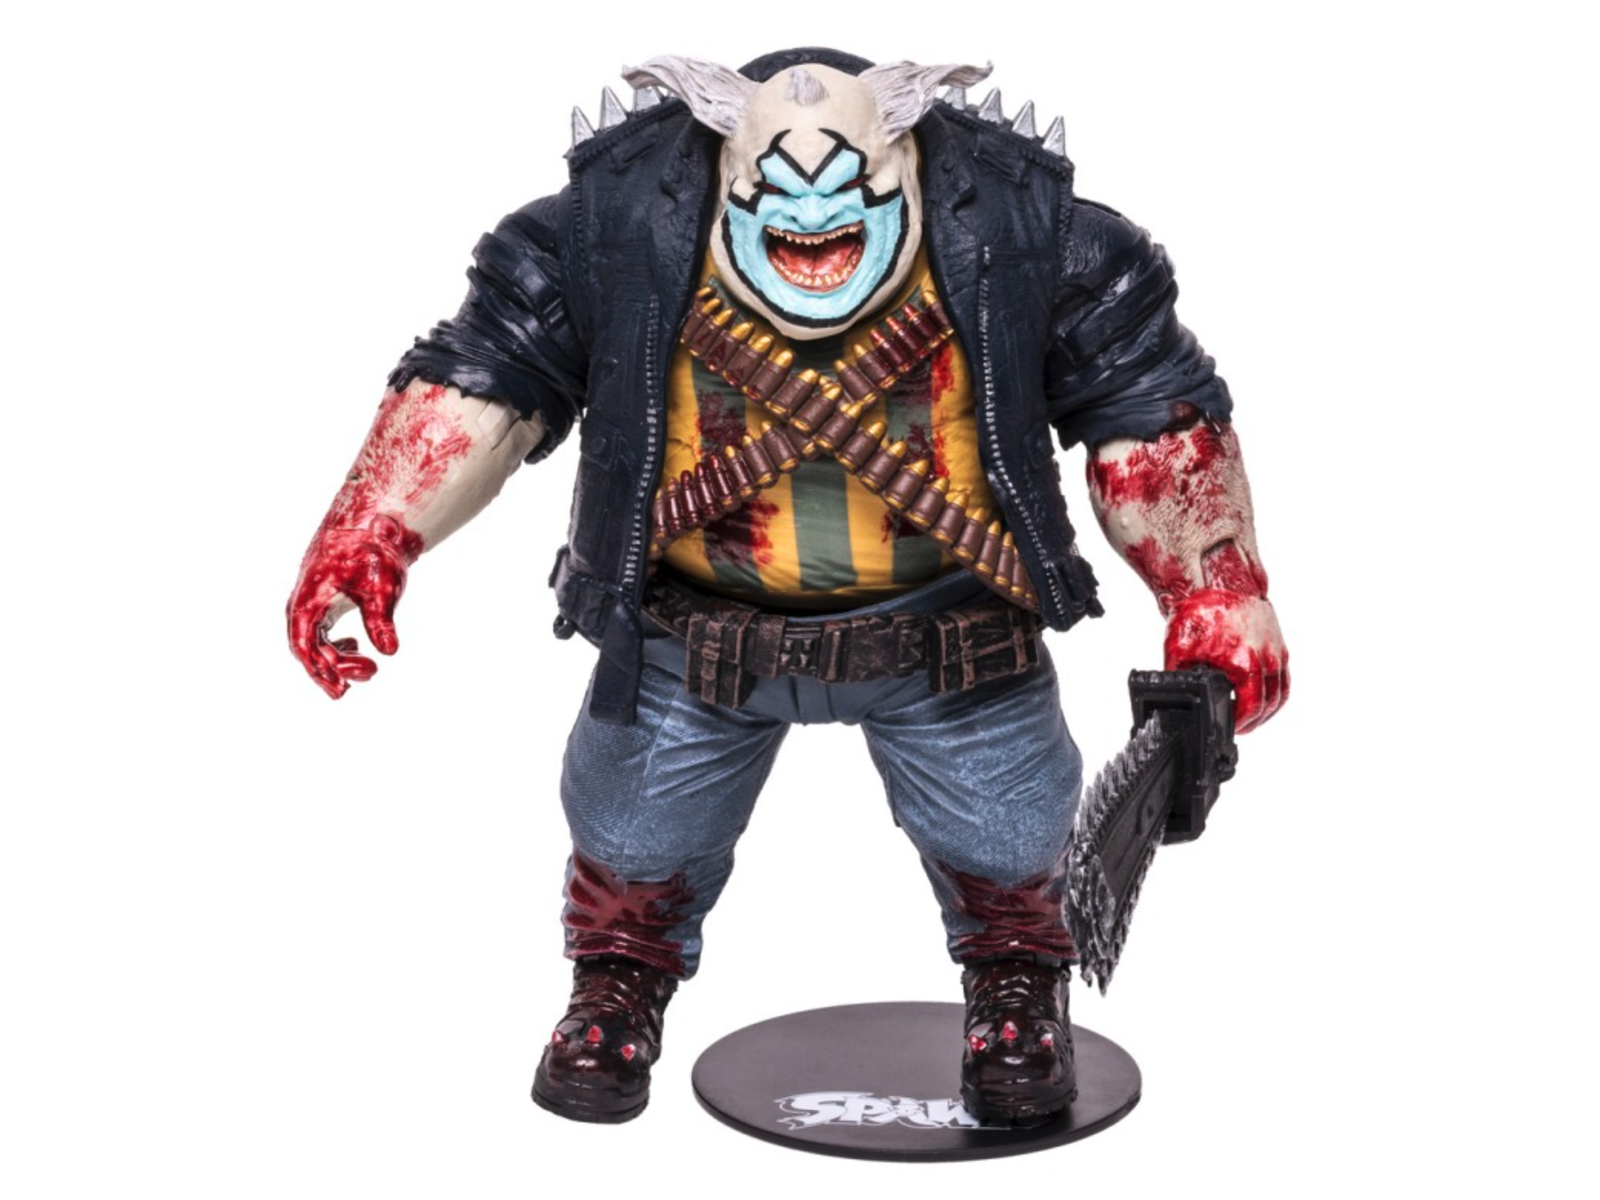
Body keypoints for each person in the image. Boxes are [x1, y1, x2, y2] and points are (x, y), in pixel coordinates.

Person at [286, 48, 1288, 1127]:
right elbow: (484, 379)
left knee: (1009, 842)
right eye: (778, 195)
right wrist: (373, 526)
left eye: (847, 192)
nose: (812, 225)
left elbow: (1149, 412)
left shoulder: (1034, 242)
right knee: (631, 837)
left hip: (949, 637)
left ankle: (1016, 990)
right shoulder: (602, 239)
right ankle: (615, 988)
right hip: (689, 636)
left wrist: (1215, 588)